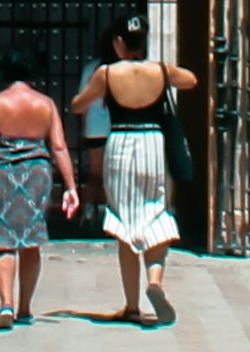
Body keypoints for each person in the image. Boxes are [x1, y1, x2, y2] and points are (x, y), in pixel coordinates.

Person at [74, 23, 198, 326]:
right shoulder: (160, 70)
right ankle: (155, 279)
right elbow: (191, 80)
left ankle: (131, 305)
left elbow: (79, 105)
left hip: (121, 142)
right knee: (156, 212)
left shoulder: (107, 73)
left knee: (124, 219)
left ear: (119, 42)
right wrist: (164, 74)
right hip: (152, 142)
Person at [0, 61, 80, 326]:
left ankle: (6, 305)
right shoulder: (46, 104)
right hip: (36, 173)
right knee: (31, 241)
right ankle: (24, 308)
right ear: (31, 78)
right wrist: (70, 187)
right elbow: (58, 146)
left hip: (2, 173)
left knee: (3, 241)